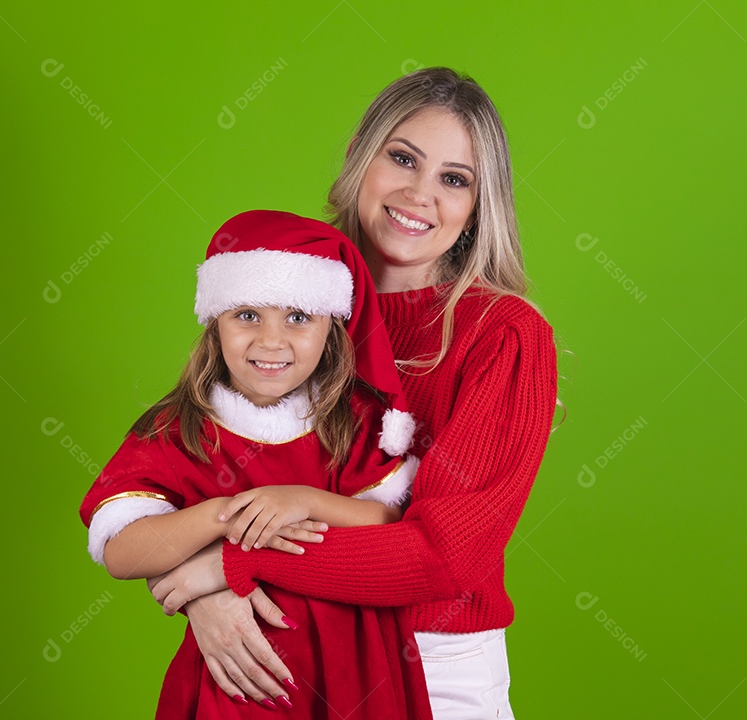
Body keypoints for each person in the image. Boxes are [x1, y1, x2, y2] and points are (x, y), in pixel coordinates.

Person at [144, 68, 560, 720]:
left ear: (480, 206)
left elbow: (442, 557)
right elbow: (180, 484)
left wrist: (237, 563)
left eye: (455, 179)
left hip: (431, 662)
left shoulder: (505, 336)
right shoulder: (286, 297)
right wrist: (210, 593)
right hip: (273, 648)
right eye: (402, 158)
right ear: (359, 157)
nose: (420, 194)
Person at [79, 210, 433, 719]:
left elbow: (389, 524)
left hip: (356, 670)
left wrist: (302, 502)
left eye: (297, 317)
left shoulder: (351, 422)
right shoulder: (177, 431)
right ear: (214, 322)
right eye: (247, 315)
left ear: (331, 327)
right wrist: (226, 515)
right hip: (242, 686)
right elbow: (122, 554)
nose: (271, 341)